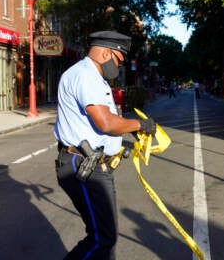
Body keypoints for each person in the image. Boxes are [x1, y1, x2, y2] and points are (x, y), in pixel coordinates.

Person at [54, 30, 156, 260]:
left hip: (93, 164)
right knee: (102, 238)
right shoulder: (85, 76)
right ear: (106, 52)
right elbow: (106, 122)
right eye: (119, 61)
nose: (119, 68)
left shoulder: (93, 77)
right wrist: (139, 124)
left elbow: (97, 127)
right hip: (82, 165)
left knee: (105, 238)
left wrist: (119, 145)